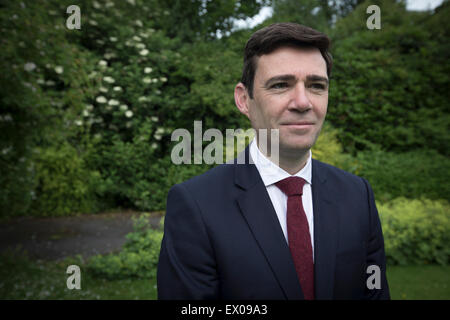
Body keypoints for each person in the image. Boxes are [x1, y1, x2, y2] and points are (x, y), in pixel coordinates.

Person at [157, 22, 390, 300]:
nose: (303, 102)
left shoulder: (357, 195)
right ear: (244, 100)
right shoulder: (196, 205)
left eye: (316, 85)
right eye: (281, 85)